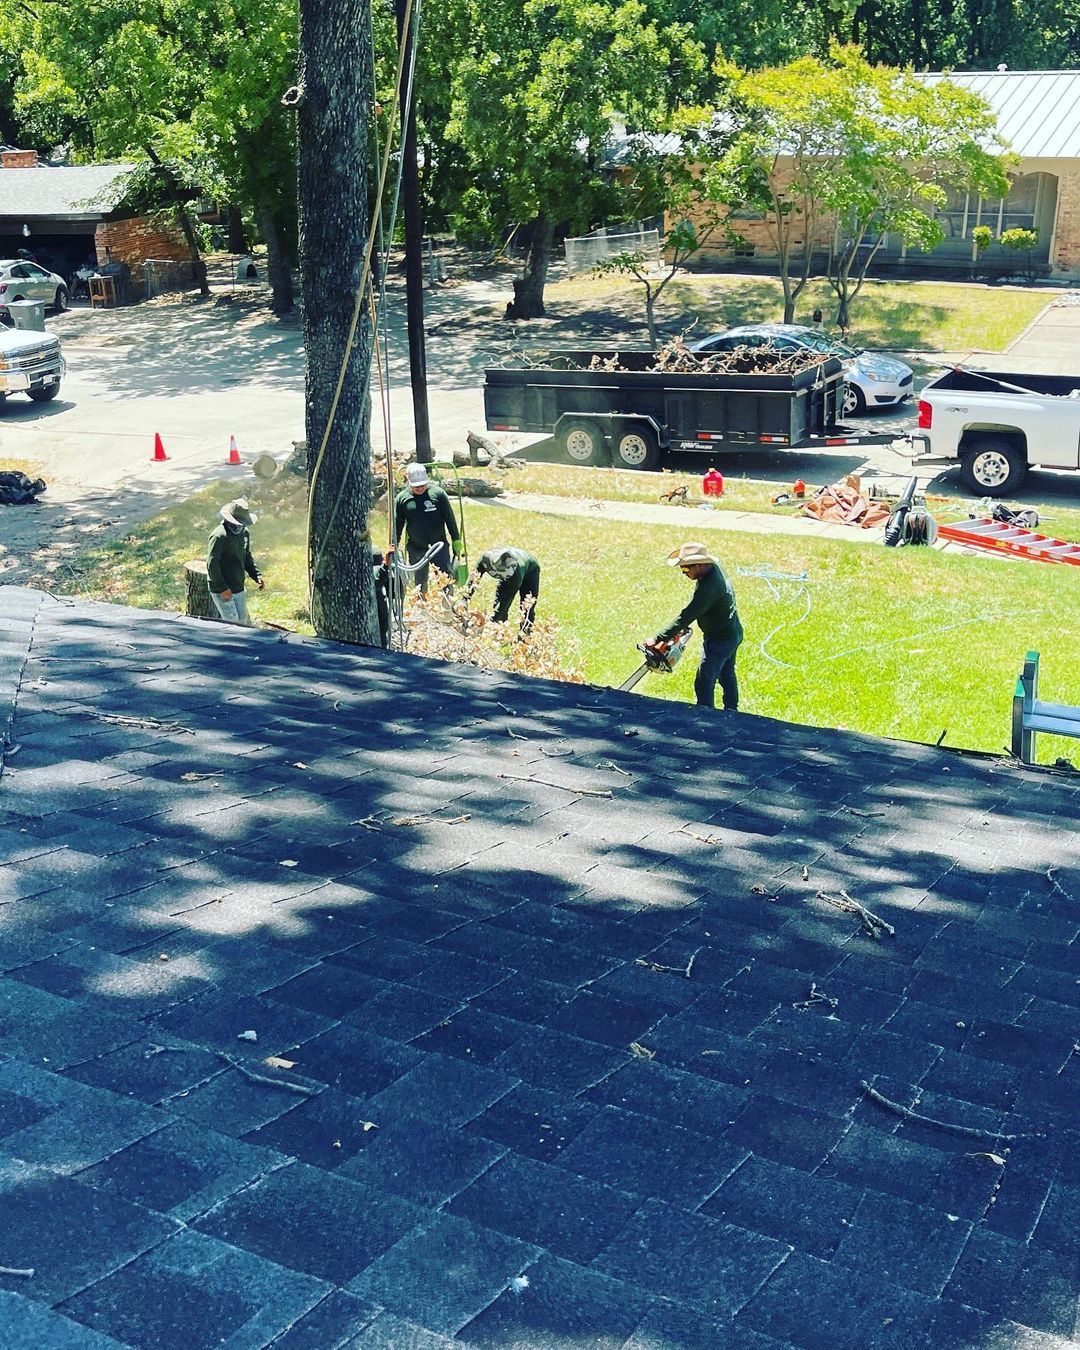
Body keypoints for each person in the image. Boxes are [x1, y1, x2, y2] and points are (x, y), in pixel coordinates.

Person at [654, 541, 743, 710]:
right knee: (726, 674)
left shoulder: (710, 586)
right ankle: (732, 711)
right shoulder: (712, 571)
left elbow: (688, 614)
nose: (683, 573)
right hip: (732, 632)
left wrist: (658, 638)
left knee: (704, 682)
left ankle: (705, 718)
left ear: (700, 565)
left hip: (720, 640)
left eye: (686, 569)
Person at [393, 462, 462, 590]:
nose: (419, 488)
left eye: (422, 485)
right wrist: (394, 545)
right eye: (416, 486)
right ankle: (421, 606)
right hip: (416, 548)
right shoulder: (402, 499)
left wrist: (456, 539)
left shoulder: (438, 494)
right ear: (408, 481)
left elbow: (449, 518)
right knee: (419, 583)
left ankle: (447, 606)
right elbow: (398, 524)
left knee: (445, 580)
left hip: (439, 546)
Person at [206, 497, 264, 625]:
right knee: (232, 623)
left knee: (243, 621)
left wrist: (256, 575)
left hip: (238, 585)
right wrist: (222, 588)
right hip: (223, 588)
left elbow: (246, 556)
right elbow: (212, 564)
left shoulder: (244, 533)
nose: (240, 526)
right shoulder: (219, 536)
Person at [473, 546, 541, 632]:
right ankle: (501, 632)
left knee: (527, 607)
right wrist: (464, 599)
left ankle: (525, 635)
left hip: (531, 571)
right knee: (498, 602)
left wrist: (493, 621)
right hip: (510, 570)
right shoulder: (485, 559)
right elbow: (474, 578)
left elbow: (506, 601)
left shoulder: (516, 573)